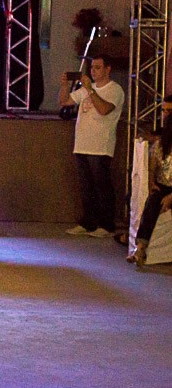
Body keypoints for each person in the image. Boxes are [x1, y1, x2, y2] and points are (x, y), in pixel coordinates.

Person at [59, 55, 125, 238]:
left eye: (97, 67)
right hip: (82, 144)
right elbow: (65, 101)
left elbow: (104, 110)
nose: (93, 71)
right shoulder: (86, 89)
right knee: (86, 187)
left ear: (108, 69)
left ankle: (106, 224)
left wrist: (90, 89)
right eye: (92, 67)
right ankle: (88, 221)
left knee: (101, 185)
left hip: (100, 146)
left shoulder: (115, 90)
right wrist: (64, 85)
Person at [128, 94, 172, 267]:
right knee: (152, 202)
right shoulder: (162, 140)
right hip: (164, 185)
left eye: (169, 111)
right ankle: (140, 248)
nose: (166, 115)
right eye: (164, 110)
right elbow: (152, 165)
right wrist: (151, 182)